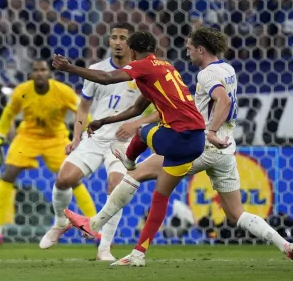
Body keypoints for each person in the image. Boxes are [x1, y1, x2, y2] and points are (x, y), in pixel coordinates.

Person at [65, 27, 293, 266]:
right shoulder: (228, 70)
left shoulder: (206, 74)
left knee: (135, 174)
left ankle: (97, 225)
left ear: (201, 49)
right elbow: (177, 104)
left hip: (201, 142)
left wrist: (211, 131)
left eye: (190, 49)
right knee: (236, 214)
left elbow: (223, 100)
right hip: (227, 149)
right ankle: (285, 245)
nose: (187, 53)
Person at [52, 30, 206, 261]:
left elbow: (105, 78)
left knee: (142, 132)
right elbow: (136, 109)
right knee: (157, 197)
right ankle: (136, 253)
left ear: (132, 51)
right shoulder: (164, 67)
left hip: (179, 136)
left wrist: (70, 68)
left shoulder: (144, 66)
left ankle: (128, 160)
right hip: (196, 139)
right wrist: (104, 120)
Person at [40, 23, 156, 261]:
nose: (117, 41)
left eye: (122, 37)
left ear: (131, 43)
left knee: (115, 187)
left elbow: (155, 109)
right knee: (64, 179)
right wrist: (75, 138)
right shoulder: (96, 69)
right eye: (113, 37)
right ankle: (61, 222)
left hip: (123, 143)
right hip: (95, 137)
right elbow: (83, 107)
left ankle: (104, 247)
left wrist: (137, 125)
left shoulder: (142, 72)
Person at [0, 60, 96, 244]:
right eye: (36, 70)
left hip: (56, 137)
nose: (40, 73)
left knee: (71, 178)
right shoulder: (22, 91)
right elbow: (8, 115)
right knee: (8, 173)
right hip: (28, 136)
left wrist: (86, 135)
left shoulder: (63, 91)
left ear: (49, 73)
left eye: (43, 70)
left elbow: (83, 112)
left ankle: (94, 226)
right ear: (31, 74)